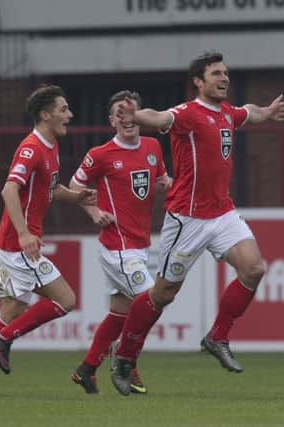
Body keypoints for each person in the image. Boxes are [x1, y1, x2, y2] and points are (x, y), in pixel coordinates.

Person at [109, 51, 284, 396]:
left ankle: (217, 336)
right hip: (187, 219)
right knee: (163, 294)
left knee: (254, 269)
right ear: (199, 81)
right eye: (216, 73)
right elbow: (159, 117)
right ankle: (125, 356)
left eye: (226, 73)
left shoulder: (226, 112)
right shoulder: (187, 114)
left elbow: (246, 112)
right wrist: (138, 115)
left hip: (222, 213)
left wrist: (264, 113)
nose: (224, 78)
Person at [0, 84, 96, 396]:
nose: (69, 115)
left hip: (16, 243)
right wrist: (24, 233)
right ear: (45, 115)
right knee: (65, 300)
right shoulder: (31, 148)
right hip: (18, 245)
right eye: (63, 109)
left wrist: (76, 196)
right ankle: (5, 339)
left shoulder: (50, 145)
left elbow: (50, 190)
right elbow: (9, 190)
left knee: (11, 311)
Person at [68, 90, 171, 395]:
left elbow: (162, 180)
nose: (127, 118)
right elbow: (75, 187)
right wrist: (93, 211)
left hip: (139, 244)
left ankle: (86, 369)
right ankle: (127, 359)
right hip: (117, 246)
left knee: (121, 313)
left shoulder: (153, 147)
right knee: (153, 301)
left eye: (132, 112)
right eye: (120, 113)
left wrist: (170, 186)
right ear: (112, 120)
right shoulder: (100, 154)